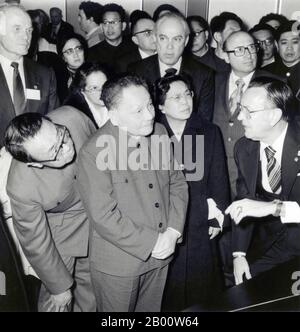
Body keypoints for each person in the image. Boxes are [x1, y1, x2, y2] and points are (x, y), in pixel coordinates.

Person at [77, 73, 188, 312]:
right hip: (119, 266)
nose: (150, 114)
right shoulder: (94, 151)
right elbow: (103, 216)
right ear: (114, 117)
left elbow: (177, 182)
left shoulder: (158, 132)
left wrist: (172, 231)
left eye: (149, 104)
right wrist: (153, 242)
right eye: (138, 111)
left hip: (161, 254)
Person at [5, 107, 97, 312]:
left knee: (93, 288)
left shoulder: (71, 117)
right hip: (62, 226)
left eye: (60, 134)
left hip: (96, 208)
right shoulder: (21, 187)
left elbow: (100, 150)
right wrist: (58, 286)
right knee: (57, 301)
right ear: (36, 165)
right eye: (55, 151)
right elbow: (35, 241)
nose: (66, 146)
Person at [155, 74, 230, 311]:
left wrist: (217, 217)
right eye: (176, 97)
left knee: (202, 289)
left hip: (199, 219)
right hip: (164, 221)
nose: (185, 101)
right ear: (160, 106)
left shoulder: (209, 131)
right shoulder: (152, 134)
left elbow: (219, 178)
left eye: (188, 94)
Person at [225, 77, 300, 285]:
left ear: (274, 116)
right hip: (271, 244)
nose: (240, 117)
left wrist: (272, 208)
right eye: (241, 109)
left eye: (248, 111)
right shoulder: (244, 148)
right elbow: (244, 202)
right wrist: (239, 255)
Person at [213, 31, 278, 198]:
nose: (248, 55)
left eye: (251, 48)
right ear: (226, 56)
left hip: (253, 175)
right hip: (216, 173)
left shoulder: (274, 83)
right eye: (240, 50)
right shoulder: (211, 81)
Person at [129, 11, 215, 122]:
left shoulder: (204, 74)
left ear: (186, 41)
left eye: (177, 39)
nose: (169, 47)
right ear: (155, 38)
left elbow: (202, 123)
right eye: (163, 38)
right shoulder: (136, 71)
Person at [0, 4, 59, 147]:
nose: (26, 37)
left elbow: (54, 121)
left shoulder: (45, 74)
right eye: (17, 29)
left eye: (29, 30)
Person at [87, 3, 136, 73]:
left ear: (123, 26)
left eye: (114, 22)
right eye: (106, 23)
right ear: (101, 27)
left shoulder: (134, 48)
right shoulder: (92, 54)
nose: (110, 27)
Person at [64, 62, 109, 128]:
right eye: (94, 88)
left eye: (105, 85)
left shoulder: (118, 100)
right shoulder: (76, 116)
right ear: (82, 90)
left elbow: (123, 135)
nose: (103, 92)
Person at [55, 33, 88, 103]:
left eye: (78, 49)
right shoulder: (57, 79)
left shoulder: (95, 71)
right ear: (63, 58)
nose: (76, 55)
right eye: (69, 51)